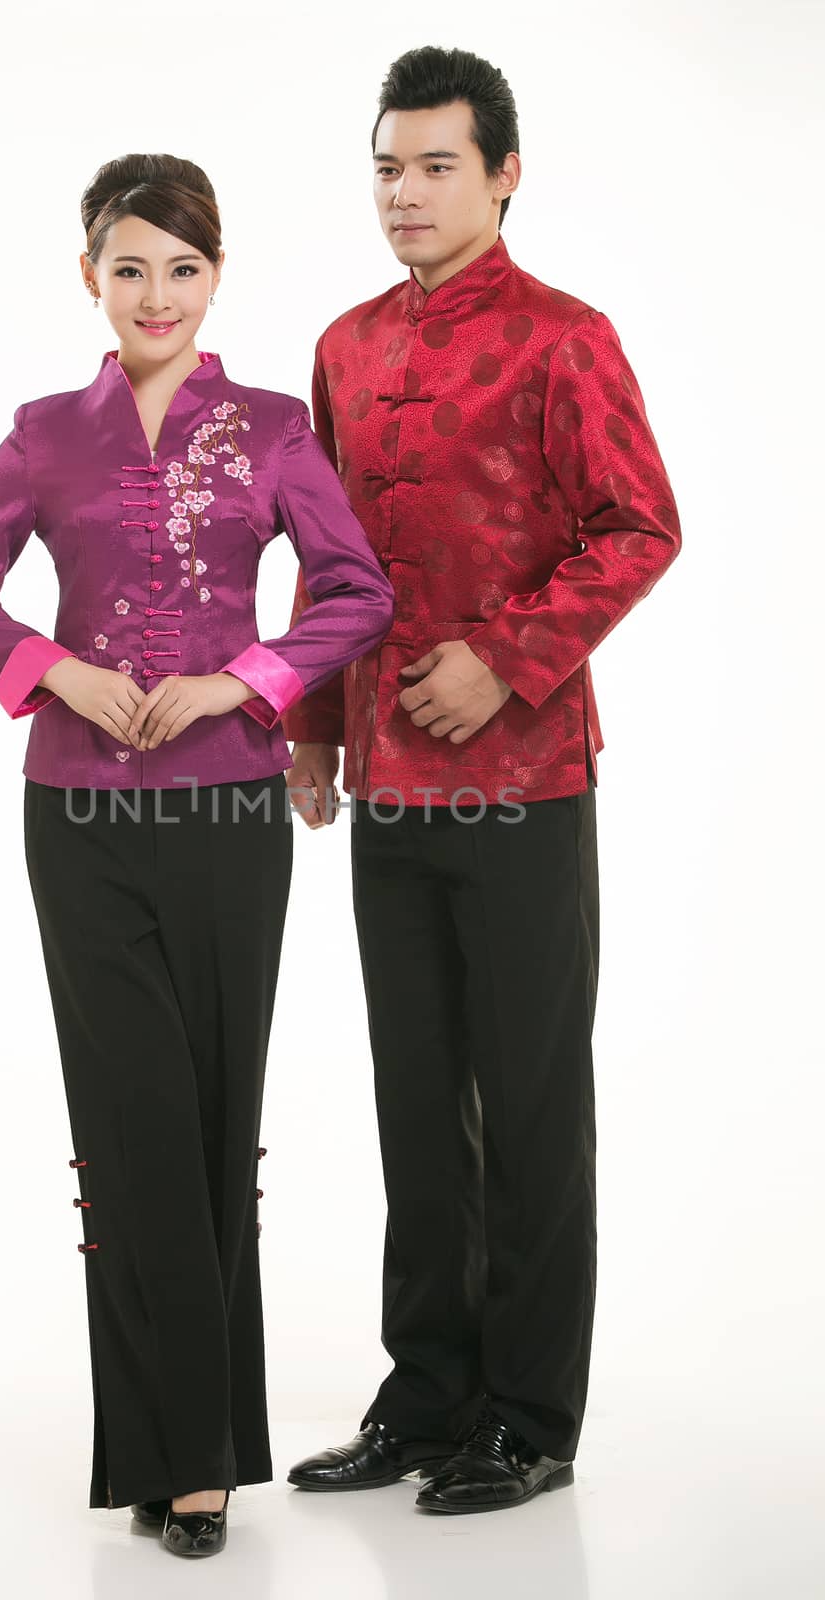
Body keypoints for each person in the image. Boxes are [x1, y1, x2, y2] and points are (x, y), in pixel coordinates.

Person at [0, 152, 394, 1559]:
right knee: (126, 1131)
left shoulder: (273, 427)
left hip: (233, 815)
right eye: (131, 266)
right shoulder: (44, 434)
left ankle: (189, 1450)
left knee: (205, 1125)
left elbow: (355, 588)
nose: (158, 292)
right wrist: (54, 670)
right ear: (91, 279)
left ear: (215, 278)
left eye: (183, 267)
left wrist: (243, 681)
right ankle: (178, 1458)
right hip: (80, 818)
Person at [282, 46, 682, 1514]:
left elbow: (638, 526)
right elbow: (332, 566)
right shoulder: (345, 346)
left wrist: (506, 658)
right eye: (389, 165)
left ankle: (528, 1415)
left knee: (526, 1104)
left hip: (522, 779)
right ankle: (427, 1392)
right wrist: (315, 726)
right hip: (386, 783)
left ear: (505, 175)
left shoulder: (566, 340)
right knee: (412, 1105)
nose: (406, 192)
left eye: (437, 164)